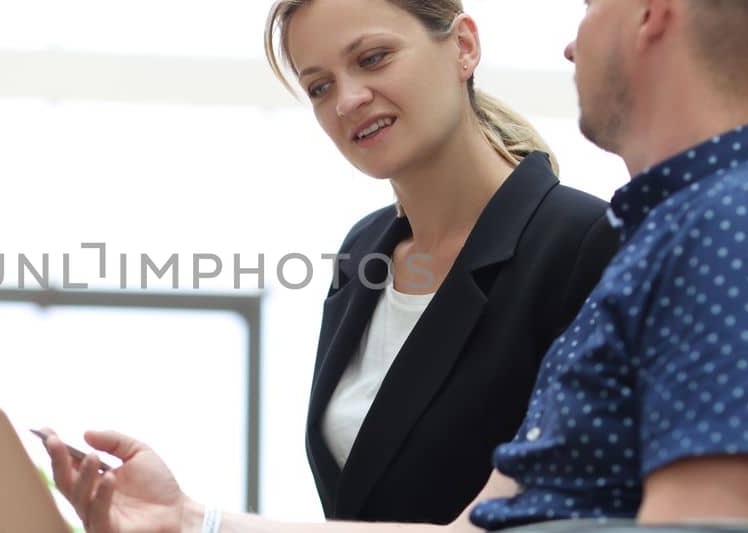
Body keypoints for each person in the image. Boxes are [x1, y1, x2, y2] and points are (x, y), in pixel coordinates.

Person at [41, 0, 748, 531]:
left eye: (592, 1)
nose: (568, 45)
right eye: (317, 85)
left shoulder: (733, 233)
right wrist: (192, 522)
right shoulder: (682, 239)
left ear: (652, 13)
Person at [264, 0, 619, 524]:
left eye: (373, 58)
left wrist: (200, 521)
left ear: (464, 46)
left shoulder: (587, 243)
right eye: (320, 87)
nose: (347, 100)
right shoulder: (363, 250)